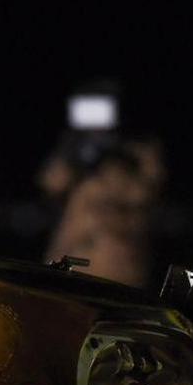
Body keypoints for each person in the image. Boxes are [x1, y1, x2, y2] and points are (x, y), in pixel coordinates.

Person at [40, 81, 165, 287]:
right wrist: (73, 151)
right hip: (70, 268)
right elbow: (52, 184)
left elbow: (147, 191)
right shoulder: (77, 152)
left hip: (117, 271)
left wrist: (121, 153)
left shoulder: (137, 151)